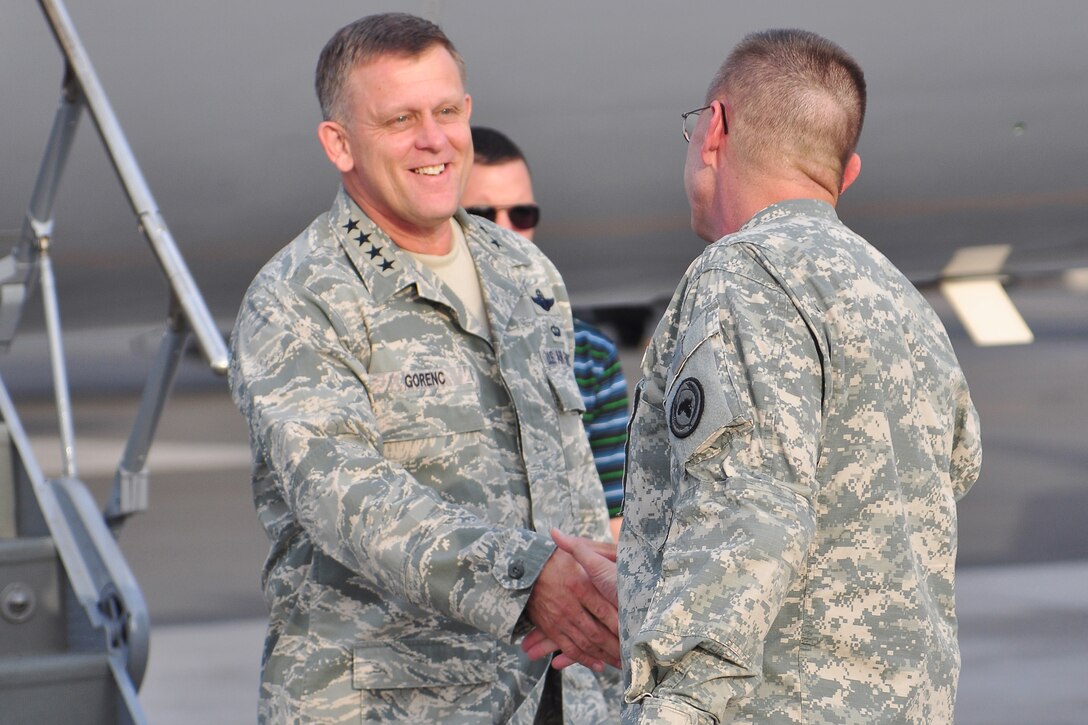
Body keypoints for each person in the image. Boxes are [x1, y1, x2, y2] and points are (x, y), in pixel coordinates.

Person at [228, 13, 619, 723]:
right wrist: (527, 580)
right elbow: (342, 494)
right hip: (387, 702)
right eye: (399, 119)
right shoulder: (300, 296)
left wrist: (602, 618)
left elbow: (574, 482)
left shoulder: (524, 271)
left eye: (445, 111)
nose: (433, 139)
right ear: (339, 144)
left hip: (551, 696)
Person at [607, 29, 981, 723]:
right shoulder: (901, 298)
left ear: (714, 128)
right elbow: (952, 471)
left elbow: (747, 514)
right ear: (847, 171)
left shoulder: (743, 274)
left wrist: (673, 710)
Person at [462, 126, 629, 540]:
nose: (506, 232)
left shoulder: (589, 352)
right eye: (482, 216)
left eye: (521, 215)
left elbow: (617, 516)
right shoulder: (409, 340)